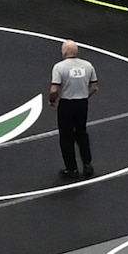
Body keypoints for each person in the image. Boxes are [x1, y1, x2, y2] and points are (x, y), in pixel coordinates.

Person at [50, 38, 101, 179]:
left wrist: (52, 100)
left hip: (67, 104)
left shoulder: (59, 67)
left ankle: (71, 168)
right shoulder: (88, 65)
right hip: (82, 103)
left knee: (66, 136)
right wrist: (85, 95)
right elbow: (94, 87)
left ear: (65, 52)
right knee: (81, 133)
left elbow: (55, 89)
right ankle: (87, 164)